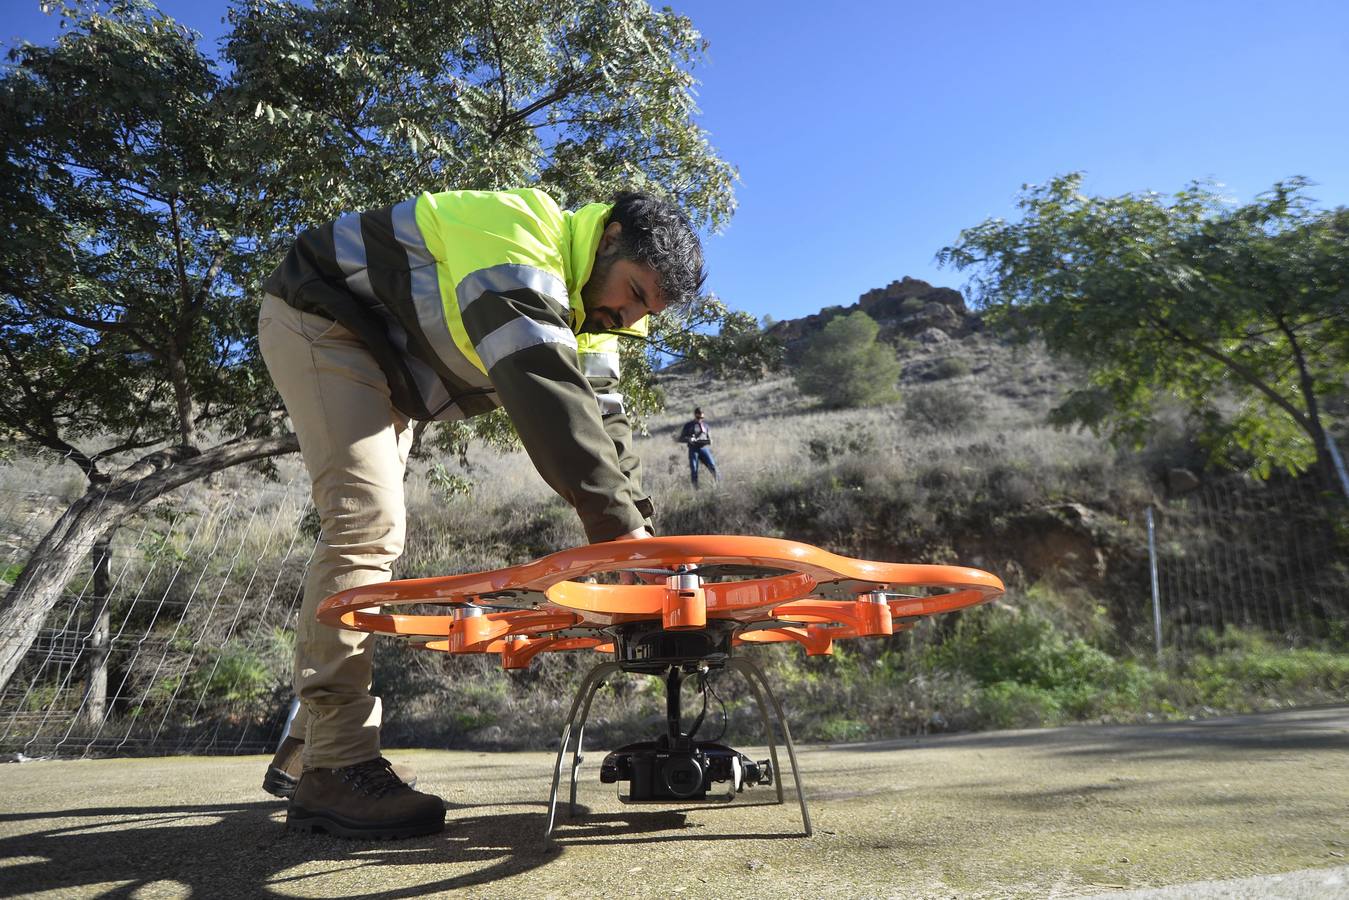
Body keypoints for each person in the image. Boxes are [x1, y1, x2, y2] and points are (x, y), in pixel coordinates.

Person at [256, 188, 705, 838]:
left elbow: (606, 421)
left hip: (390, 363)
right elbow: (544, 384)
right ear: (607, 237)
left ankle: (307, 746)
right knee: (364, 526)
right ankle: (335, 766)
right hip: (323, 316)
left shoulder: (601, 313)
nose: (625, 315)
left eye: (645, 310)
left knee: (375, 537)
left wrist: (645, 539)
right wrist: (617, 536)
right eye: (632, 293)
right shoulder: (516, 232)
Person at [677, 407, 719, 487]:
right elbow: (680, 438)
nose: (700, 419)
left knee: (713, 466)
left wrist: (710, 441)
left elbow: (709, 438)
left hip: (704, 448)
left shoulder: (706, 426)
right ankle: (695, 488)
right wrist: (689, 439)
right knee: (694, 469)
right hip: (693, 449)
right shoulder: (688, 425)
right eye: (698, 417)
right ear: (695, 415)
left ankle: (719, 484)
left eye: (702, 418)